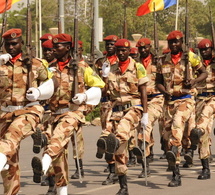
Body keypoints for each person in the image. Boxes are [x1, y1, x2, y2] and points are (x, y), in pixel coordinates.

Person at [31, 33, 105, 195]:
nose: (54, 49)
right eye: (53, 46)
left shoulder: (81, 67)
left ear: (67, 48)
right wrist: (37, 92)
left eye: (58, 46)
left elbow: (98, 86)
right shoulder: (51, 68)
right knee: (58, 153)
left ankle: (43, 165)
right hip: (54, 113)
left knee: (58, 137)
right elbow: (46, 85)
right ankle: (62, 190)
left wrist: (84, 96)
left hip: (74, 112)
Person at [0, 28, 56, 195]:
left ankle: (40, 134)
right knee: (9, 159)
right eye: (8, 44)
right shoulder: (1, 63)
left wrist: (39, 93)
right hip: (4, 113)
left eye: (14, 44)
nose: (11, 47)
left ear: (22, 44)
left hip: (28, 110)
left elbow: (52, 85)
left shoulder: (37, 63)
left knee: (11, 137)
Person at [96, 38, 149, 194]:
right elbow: (105, 93)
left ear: (129, 51)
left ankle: (114, 141)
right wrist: (104, 76)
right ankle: (123, 186)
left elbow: (144, 91)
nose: (121, 53)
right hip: (116, 109)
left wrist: (145, 114)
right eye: (118, 50)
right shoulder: (112, 68)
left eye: (124, 50)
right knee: (113, 144)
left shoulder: (137, 67)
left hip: (133, 108)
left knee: (123, 131)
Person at [156, 30, 208, 187]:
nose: (174, 44)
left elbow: (204, 73)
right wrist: (163, 91)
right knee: (166, 138)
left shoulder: (190, 57)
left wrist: (193, 82)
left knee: (176, 129)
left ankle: (176, 175)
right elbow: (158, 81)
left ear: (182, 42)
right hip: (169, 102)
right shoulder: (163, 60)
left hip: (186, 99)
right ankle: (175, 161)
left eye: (177, 41)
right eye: (171, 42)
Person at [132, 37, 165, 178]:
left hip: (157, 98)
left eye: (146, 48)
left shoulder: (159, 62)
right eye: (141, 48)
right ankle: (146, 163)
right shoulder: (135, 64)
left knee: (156, 128)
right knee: (143, 128)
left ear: (150, 47)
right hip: (142, 100)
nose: (143, 50)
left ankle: (170, 154)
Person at [94, 35, 119, 185]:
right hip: (105, 104)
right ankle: (113, 168)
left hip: (117, 105)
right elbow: (97, 85)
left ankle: (114, 170)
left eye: (112, 44)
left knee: (111, 138)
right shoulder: (101, 63)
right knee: (108, 138)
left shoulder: (122, 62)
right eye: (108, 44)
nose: (110, 46)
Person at [189, 38, 214, 180]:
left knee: (202, 124)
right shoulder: (196, 64)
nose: (205, 52)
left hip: (214, 98)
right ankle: (205, 167)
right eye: (202, 50)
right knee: (201, 132)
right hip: (200, 98)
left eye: (207, 49)